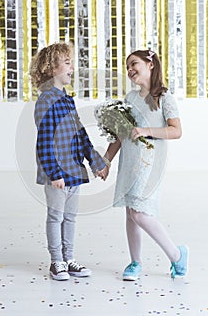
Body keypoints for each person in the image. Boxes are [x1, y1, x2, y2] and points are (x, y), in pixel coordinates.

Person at [98, 49, 188, 281]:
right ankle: (135, 262)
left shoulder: (164, 98)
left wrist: (146, 131)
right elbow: (120, 134)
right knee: (131, 213)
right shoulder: (130, 98)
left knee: (139, 213)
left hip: (149, 164)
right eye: (127, 67)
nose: (130, 70)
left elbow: (176, 131)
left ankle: (177, 255)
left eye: (134, 64)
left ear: (150, 64)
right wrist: (106, 160)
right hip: (130, 161)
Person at [30, 42, 106, 281]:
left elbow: (80, 134)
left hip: (73, 169)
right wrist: (54, 173)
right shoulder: (46, 100)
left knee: (70, 217)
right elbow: (44, 141)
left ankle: (69, 258)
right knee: (56, 216)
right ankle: (56, 262)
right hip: (58, 175)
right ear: (52, 68)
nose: (72, 67)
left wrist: (96, 163)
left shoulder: (67, 99)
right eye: (67, 63)